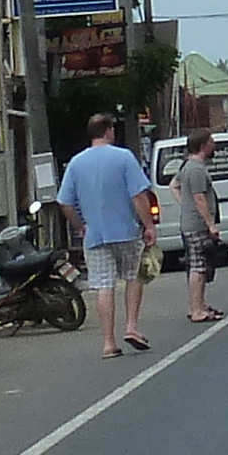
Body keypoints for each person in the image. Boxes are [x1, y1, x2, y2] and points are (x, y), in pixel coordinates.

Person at [61, 110, 158, 357]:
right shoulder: (124, 157)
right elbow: (138, 196)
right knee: (134, 276)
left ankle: (108, 342)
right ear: (108, 131)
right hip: (126, 231)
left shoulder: (76, 163)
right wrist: (148, 225)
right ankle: (132, 327)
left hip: (95, 235)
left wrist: (81, 226)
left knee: (104, 285)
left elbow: (65, 203)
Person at [174, 129, 228, 326]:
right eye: (211, 142)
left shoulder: (190, 167)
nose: (214, 145)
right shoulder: (196, 169)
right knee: (198, 266)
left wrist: (184, 204)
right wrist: (210, 224)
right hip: (197, 226)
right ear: (203, 145)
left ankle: (200, 305)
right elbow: (199, 198)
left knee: (203, 265)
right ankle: (196, 309)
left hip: (193, 222)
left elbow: (174, 185)